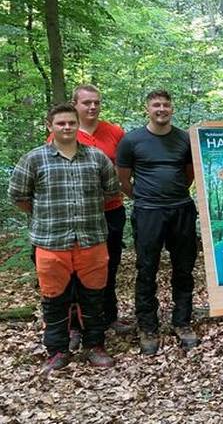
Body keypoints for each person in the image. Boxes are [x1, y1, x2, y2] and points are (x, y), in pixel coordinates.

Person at [8, 104, 119, 375]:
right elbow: (18, 196)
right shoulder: (34, 159)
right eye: (61, 123)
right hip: (50, 242)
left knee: (94, 297)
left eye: (71, 122)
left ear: (77, 124)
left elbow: (112, 191)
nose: (67, 127)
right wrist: (46, 213)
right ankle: (57, 350)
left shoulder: (96, 158)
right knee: (53, 299)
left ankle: (95, 345)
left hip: (91, 239)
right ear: (50, 126)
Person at [48, 85, 130, 352]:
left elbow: (128, 163)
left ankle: (108, 317)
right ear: (75, 104)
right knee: (74, 271)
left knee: (110, 265)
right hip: (77, 216)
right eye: (86, 103)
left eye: (96, 102)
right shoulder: (65, 131)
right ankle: (75, 325)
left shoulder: (115, 132)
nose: (92, 107)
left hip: (111, 210)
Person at [117, 90, 199, 355]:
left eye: (166, 104)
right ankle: (148, 326)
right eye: (156, 105)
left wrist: (173, 195)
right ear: (147, 108)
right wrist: (146, 198)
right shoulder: (132, 140)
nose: (161, 109)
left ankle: (182, 321)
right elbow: (123, 180)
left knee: (184, 268)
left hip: (181, 210)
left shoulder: (184, 139)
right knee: (146, 268)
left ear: (171, 108)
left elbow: (189, 174)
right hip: (148, 212)